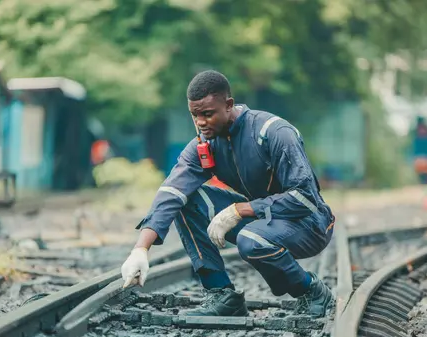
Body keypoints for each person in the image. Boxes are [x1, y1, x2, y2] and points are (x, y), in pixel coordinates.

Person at [120, 70, 336, 317]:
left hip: (309, 223)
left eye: (207, 114)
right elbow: (171, 192)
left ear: (229, 105)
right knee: (186, 201)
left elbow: (305, 198)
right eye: (194, 115)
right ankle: (222, 295)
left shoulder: (273, 133)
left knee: (251, 239)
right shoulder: (205, 144)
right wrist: (141, 249)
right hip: (265, 219)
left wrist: (239, 210)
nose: (200, 122)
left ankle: (312, 291)